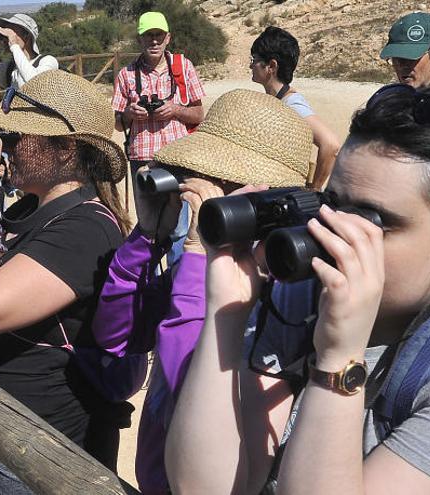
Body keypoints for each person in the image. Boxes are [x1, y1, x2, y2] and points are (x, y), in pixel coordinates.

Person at [166, 85, 430, 493]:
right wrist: (227, 311)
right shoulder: (304, 301)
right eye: (332, 206)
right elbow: (204, 488)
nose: (335, 236)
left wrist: (339, 360)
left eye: (373, 221)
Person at [93, 89, 314, 495]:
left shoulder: (288, 297)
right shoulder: (195, 269)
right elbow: (115, 335)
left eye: (218, 184)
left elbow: (185, 389)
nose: (196, 193)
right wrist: (147, 236)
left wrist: (199, 257)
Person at [0, 70, 131, 491]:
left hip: (34, 441)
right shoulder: (29, 209)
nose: (7, 145)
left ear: (65, 150)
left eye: (18, 136)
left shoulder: (85, 229)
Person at [112, 11, 205, 265]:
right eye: (148, 36)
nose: (154, 41)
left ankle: (173, 288)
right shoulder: (126, 75)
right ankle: (148, 287)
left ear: (168, 38)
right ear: (140, 40)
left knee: (178, 231)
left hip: (177, 160)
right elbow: (118, 124)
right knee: (148, 230)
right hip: (142, 161)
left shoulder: (182, 67)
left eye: (158, 35)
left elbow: (198, 114)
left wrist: (176, 110)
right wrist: (130, 114)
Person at [250, 26, 340, 190]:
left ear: (271, 66)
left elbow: (331, 145)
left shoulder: (291, 104)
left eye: (254, 60)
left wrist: (315, 190)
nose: (251, 66)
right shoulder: (277, 100)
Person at [0, 14, 58, 90]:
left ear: (26, 36)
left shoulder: (48, 61)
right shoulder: (9, 68)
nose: (7, 37)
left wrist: (14, 45)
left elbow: (34, 84)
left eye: (11, 32)